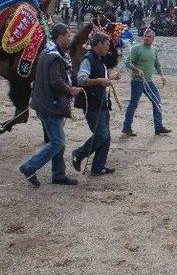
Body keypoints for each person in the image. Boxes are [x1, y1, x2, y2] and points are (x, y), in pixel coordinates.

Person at [19, 23, 82, 187]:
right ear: (60, 37)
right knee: (58, 141)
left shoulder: (49, 52)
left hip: (45, 102)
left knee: (57, 139)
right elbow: (55, 81)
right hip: (50, 105)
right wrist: (70, 90)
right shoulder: (54, 56)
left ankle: (58, 174)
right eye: (68, 36)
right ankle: (30, 166)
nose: (70, 39)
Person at [71, 33, 119, 176]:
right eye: (107, 44)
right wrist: (100, 81)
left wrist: (109, 77)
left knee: (106, 137)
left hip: (102, 103)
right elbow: (81, 80)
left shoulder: (98, 59)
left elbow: (98, 77)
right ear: (98, 44)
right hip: (92, 105)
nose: (108, 47)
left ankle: (98, 167)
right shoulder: (88, 59)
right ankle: (78, 154)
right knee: (101, 135)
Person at [122, 28, 171, 136]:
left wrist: (162, 76)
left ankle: (158, 127)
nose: (146, 38)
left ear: (153, 39)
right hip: (137, 81)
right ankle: (126, 127)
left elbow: (157, 65)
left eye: (149, 37)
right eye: (145, 36)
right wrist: (137, 70)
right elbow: (127, 63)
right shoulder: (136, 48)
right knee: (133, 104)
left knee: (157, 102)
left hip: (149, 81)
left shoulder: (154, 50)